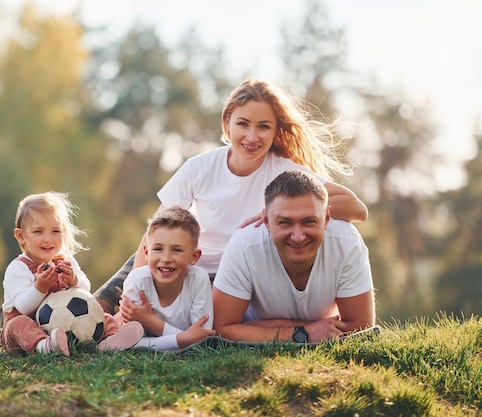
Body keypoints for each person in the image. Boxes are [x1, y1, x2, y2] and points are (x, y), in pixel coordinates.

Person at [94, 77, 368, 313]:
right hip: (187, 266)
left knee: (182, 321)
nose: (252, 136)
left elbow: (357, 209)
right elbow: (157, 230)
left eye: (263, 126)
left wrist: (272, 213)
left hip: (238, 277)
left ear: (275, 132)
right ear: (227, 124)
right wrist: (136, 288)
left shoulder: (284, 170)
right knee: (103, 305)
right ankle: (88, 321)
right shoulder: (199, 167)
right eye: (243, 124)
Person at [212, 170, 375, 343]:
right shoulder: (245, 244)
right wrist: (303, 333)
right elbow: (222, 329)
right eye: (285, 223)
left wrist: (261, 328)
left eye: (309, 222)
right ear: (266, 221)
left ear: (327, 218)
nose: (298, 237)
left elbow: (362, 329)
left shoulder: (346, 241)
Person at [0, 192, 144, 356]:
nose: (48, 239)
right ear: (21, 236)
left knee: (101, 316)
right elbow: (23, 307)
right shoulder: (18, 268)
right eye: (38, 232)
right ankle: (44, 346)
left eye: (55, 231)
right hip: (24, 335)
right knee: (18, 324)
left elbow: (86, 290)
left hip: (63, 324)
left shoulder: (65, 260)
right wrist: (40, 287)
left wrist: (74, 280)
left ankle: (111, 340)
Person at [117, 206, 216, 351]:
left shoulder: (198, 279)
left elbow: (200, 342)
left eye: (177, 250)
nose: (166, 259)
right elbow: (128, 343)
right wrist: (182, 339)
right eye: (157, 249)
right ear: (146, 252)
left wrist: (150, 320)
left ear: (194, 257)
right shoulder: (137, 281)